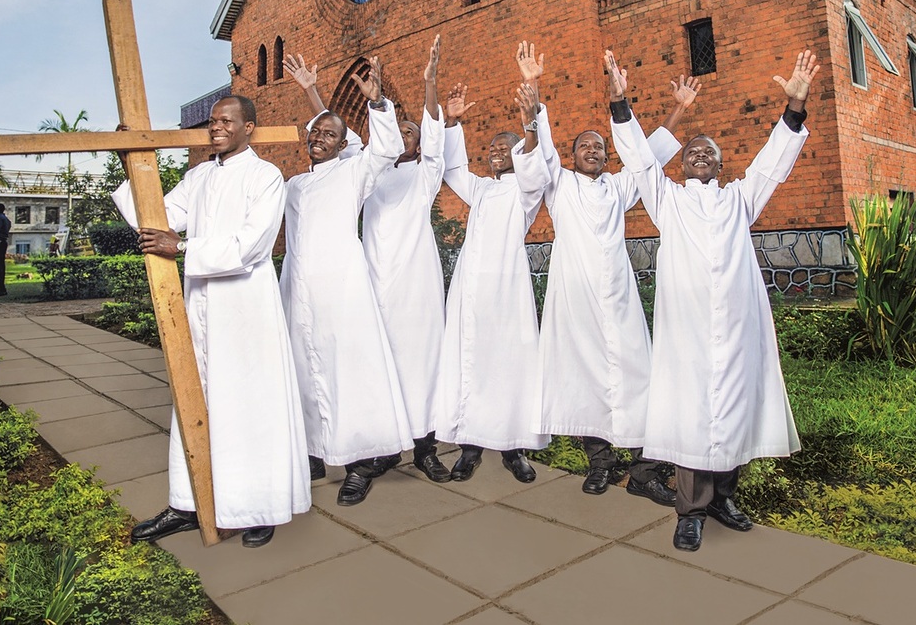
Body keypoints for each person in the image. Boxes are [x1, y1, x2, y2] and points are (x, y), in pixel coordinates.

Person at [608, 49, 818, 552]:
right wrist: (620, 104)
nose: (700, 156)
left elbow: (771, 164)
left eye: (709, 154)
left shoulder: (740, 199)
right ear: (681, 166)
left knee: (737, 408)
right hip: (687, 330)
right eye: (692, 154)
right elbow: (638, 158)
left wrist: (793, 111)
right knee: (691, 413)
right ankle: (691, 511)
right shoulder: (667, 200)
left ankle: (724, 496)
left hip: (738, 326)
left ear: (722, 166)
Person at [112, 95, 311, 548]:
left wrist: (181, 249)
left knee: (248, 404)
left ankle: (260, 507)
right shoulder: (199, 175)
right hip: (200, 306)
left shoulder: (266, 177)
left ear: (250, 129)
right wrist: (131, 165)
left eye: (227, 121)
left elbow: (252, 245)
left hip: (245, 310)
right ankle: (188, 502)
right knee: (193, 396)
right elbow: (158, 219)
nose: (216, 127)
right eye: (213, 121)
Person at [512, 43, 698, 503]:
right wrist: (533, 90)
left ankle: (643, 469)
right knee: (579, 378)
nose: (593, 150)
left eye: (599, 146)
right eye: (584, 146)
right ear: (572, 157)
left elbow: (646, 157)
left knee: (637, 376)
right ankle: (600, 462)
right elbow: (543, 152)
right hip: (573, 302)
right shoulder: (560, 186)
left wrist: (677, 111)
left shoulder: (618, 188)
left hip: (618, 299)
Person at [284, 36, 452, 484]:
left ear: (417, 145)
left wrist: (430, 83)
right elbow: (337, 134)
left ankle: (424, 448)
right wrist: (312, 90)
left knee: (418, 364)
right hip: (366, 281)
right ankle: (379, 449)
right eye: (401, 130)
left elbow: (431, 135)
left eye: (410, 132)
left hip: (413, 285)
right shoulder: (363, 169)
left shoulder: (424, 176)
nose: (405, 136)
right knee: (372, 367)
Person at [279, 55, 414, 506]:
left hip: (342, 289)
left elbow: (383, 149)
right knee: (303, 368)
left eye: (330, 135)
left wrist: (377, 104)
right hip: (299, 291)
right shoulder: (295, 185)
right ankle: (315, 451)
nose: (320, 138)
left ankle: (360, 464)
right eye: (316, 132)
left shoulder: (354, 171)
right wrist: (310, 93)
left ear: (343, 145)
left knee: (350, 371)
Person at [436, 46, 551, 483]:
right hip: (470, 290)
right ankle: (469, 447)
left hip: (507, 290)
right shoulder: (481, 190)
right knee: (471, 362)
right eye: (493, 148)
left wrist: (530, 121)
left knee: (510, 364)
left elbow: (535, 168)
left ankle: (515, 448)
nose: (497, 151)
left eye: (506, 146)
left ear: (518, 151)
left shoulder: (525, 192)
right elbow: (452, 168)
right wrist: (452, 121)